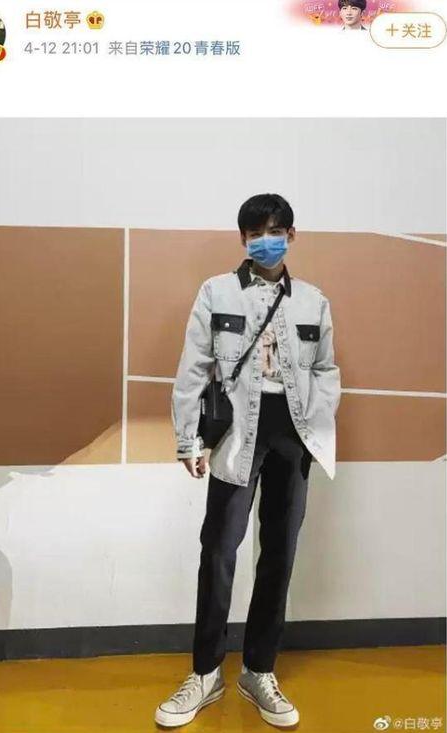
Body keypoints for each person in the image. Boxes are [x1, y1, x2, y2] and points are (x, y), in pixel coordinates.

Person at [155, 193, 341, 728]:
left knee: (279, 553)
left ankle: (259, 670)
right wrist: (188, 439)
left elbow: (326, 370)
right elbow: (194, 367)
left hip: (293, 435)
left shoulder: (313, 301)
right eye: (256, 232)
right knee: (219, 549)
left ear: (292, 235)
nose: (266, 240)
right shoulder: (215, 292)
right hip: (238, 431)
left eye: (276, 231)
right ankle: (205, 672)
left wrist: (315, 427)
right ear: (243, 239)